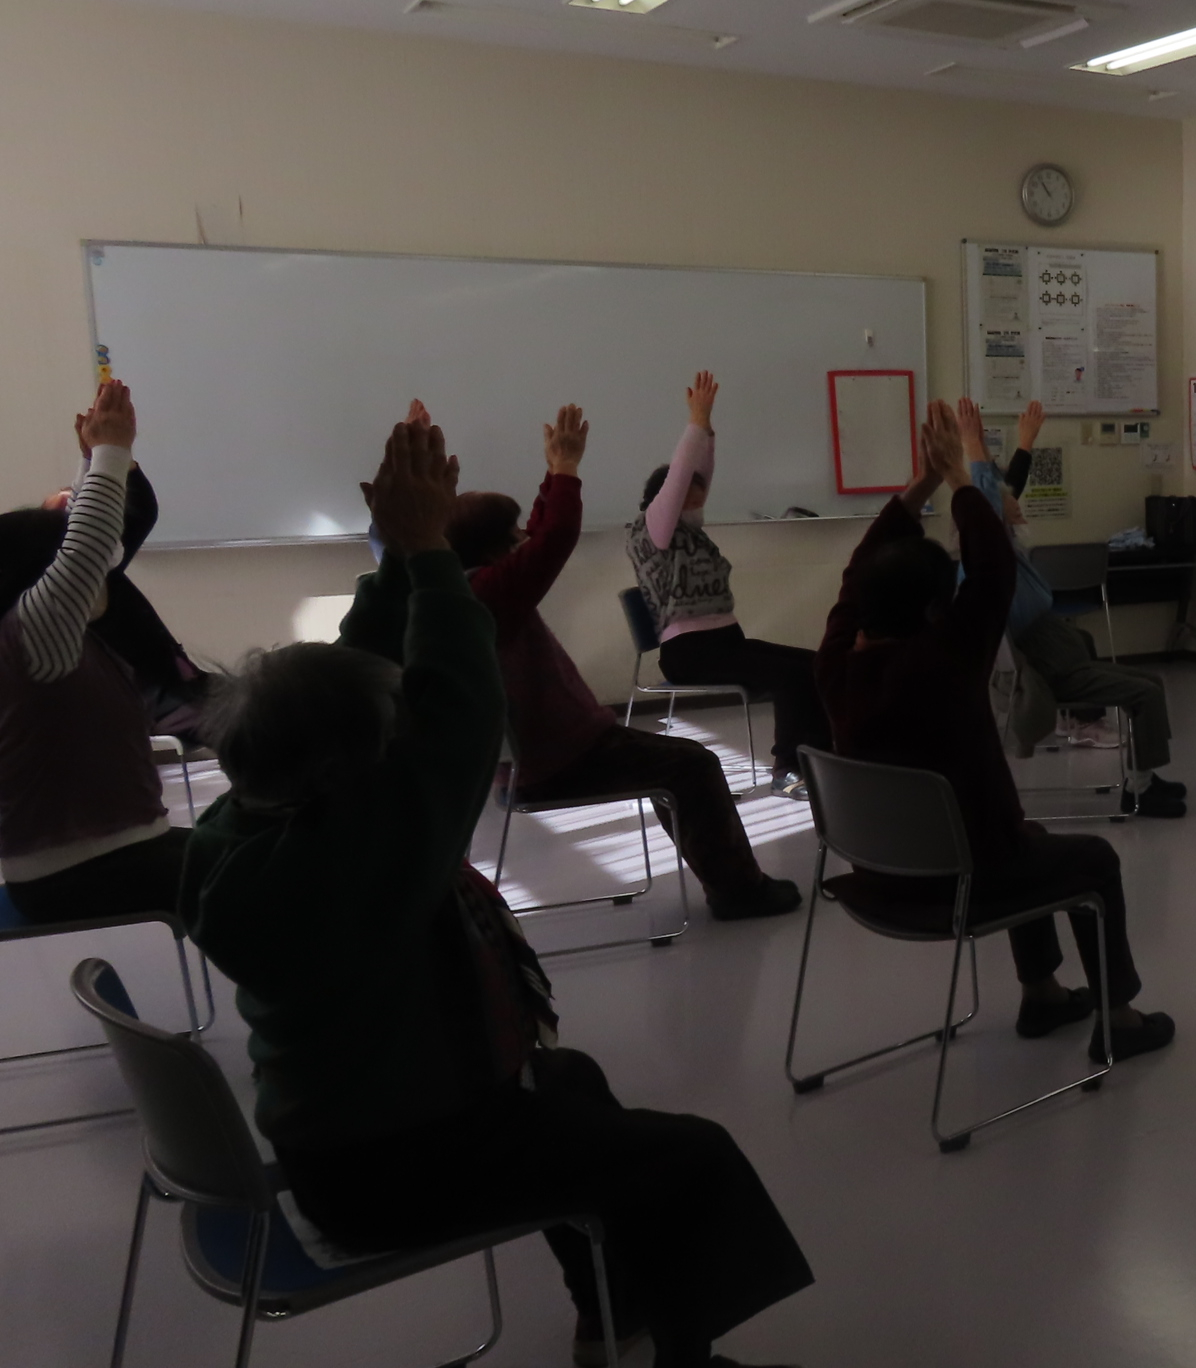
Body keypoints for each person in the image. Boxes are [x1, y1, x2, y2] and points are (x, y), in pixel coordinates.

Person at [185, 415, 810, 1368]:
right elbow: (460, 711)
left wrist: (404, 552)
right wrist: (428, 554)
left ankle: (610, 1315)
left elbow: (349, 671)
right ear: (350, 769)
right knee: (692, 1156)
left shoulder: (237, 834)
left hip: (335, 1142)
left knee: (574, 1082)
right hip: (400, 1165)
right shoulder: (375, 854)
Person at [815, 399, 1176, 1062]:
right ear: (936, 609)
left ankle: (1043, 993)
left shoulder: (835, 664)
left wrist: (924, 483)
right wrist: (954, 478)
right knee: (1090, 861)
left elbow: (862, 572)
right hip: (964, 878)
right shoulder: (947, 660)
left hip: (879, 876)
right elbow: (994, 569)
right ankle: (1119, 1018)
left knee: (1025, 838)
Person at [447, 401, 801, 920]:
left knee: (676, 762)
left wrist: (552, 475)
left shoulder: (466, 587)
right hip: (557, 761)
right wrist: (565, 470)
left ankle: (730, 880)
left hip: (559, 751)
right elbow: (552, 539)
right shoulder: (490, 593)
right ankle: (739, 893)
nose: (523, 536)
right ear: (493, 549)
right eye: (513, 532)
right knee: (694, 765)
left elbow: (539, 535)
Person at [0, 380, 190, 924]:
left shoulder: (44, 638)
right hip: (91, 872)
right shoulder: (32, 635)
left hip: (99, 861)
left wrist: (92, 463)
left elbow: (97, 547)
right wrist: (111, 451)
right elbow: (87, 547)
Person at [965, 399, 1187, 819]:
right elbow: (987, 497)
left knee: (1150, 682)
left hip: (1060, 657)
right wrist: (972, 446)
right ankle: (1139, 791)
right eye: (1005, 499)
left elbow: (1003, 485)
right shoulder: (990, 560)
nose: (1015, 499)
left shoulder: (1004, 549)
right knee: (1145, 691)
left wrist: (1014, 443)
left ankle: (1143, 777)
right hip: (1052, 670)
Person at [629, 371, 829, 795]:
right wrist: (695, 422)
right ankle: (787, 770)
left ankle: (822, 760)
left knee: (817, 664)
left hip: (725, 644)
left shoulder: (689, 532)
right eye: (690, 493)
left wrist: (709, 431)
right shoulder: (653, 531)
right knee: (790, 678)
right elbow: (682, 473)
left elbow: (700, 472)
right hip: (690, 654)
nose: (699, 499)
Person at [51, 414, 216, 743]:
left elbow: (125, 516)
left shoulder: (93, 571)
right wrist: (107, 452)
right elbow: (96, 527)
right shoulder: (67, 580)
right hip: (165, 709)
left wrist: (99, 456)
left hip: (188, 691)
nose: (70, 501)